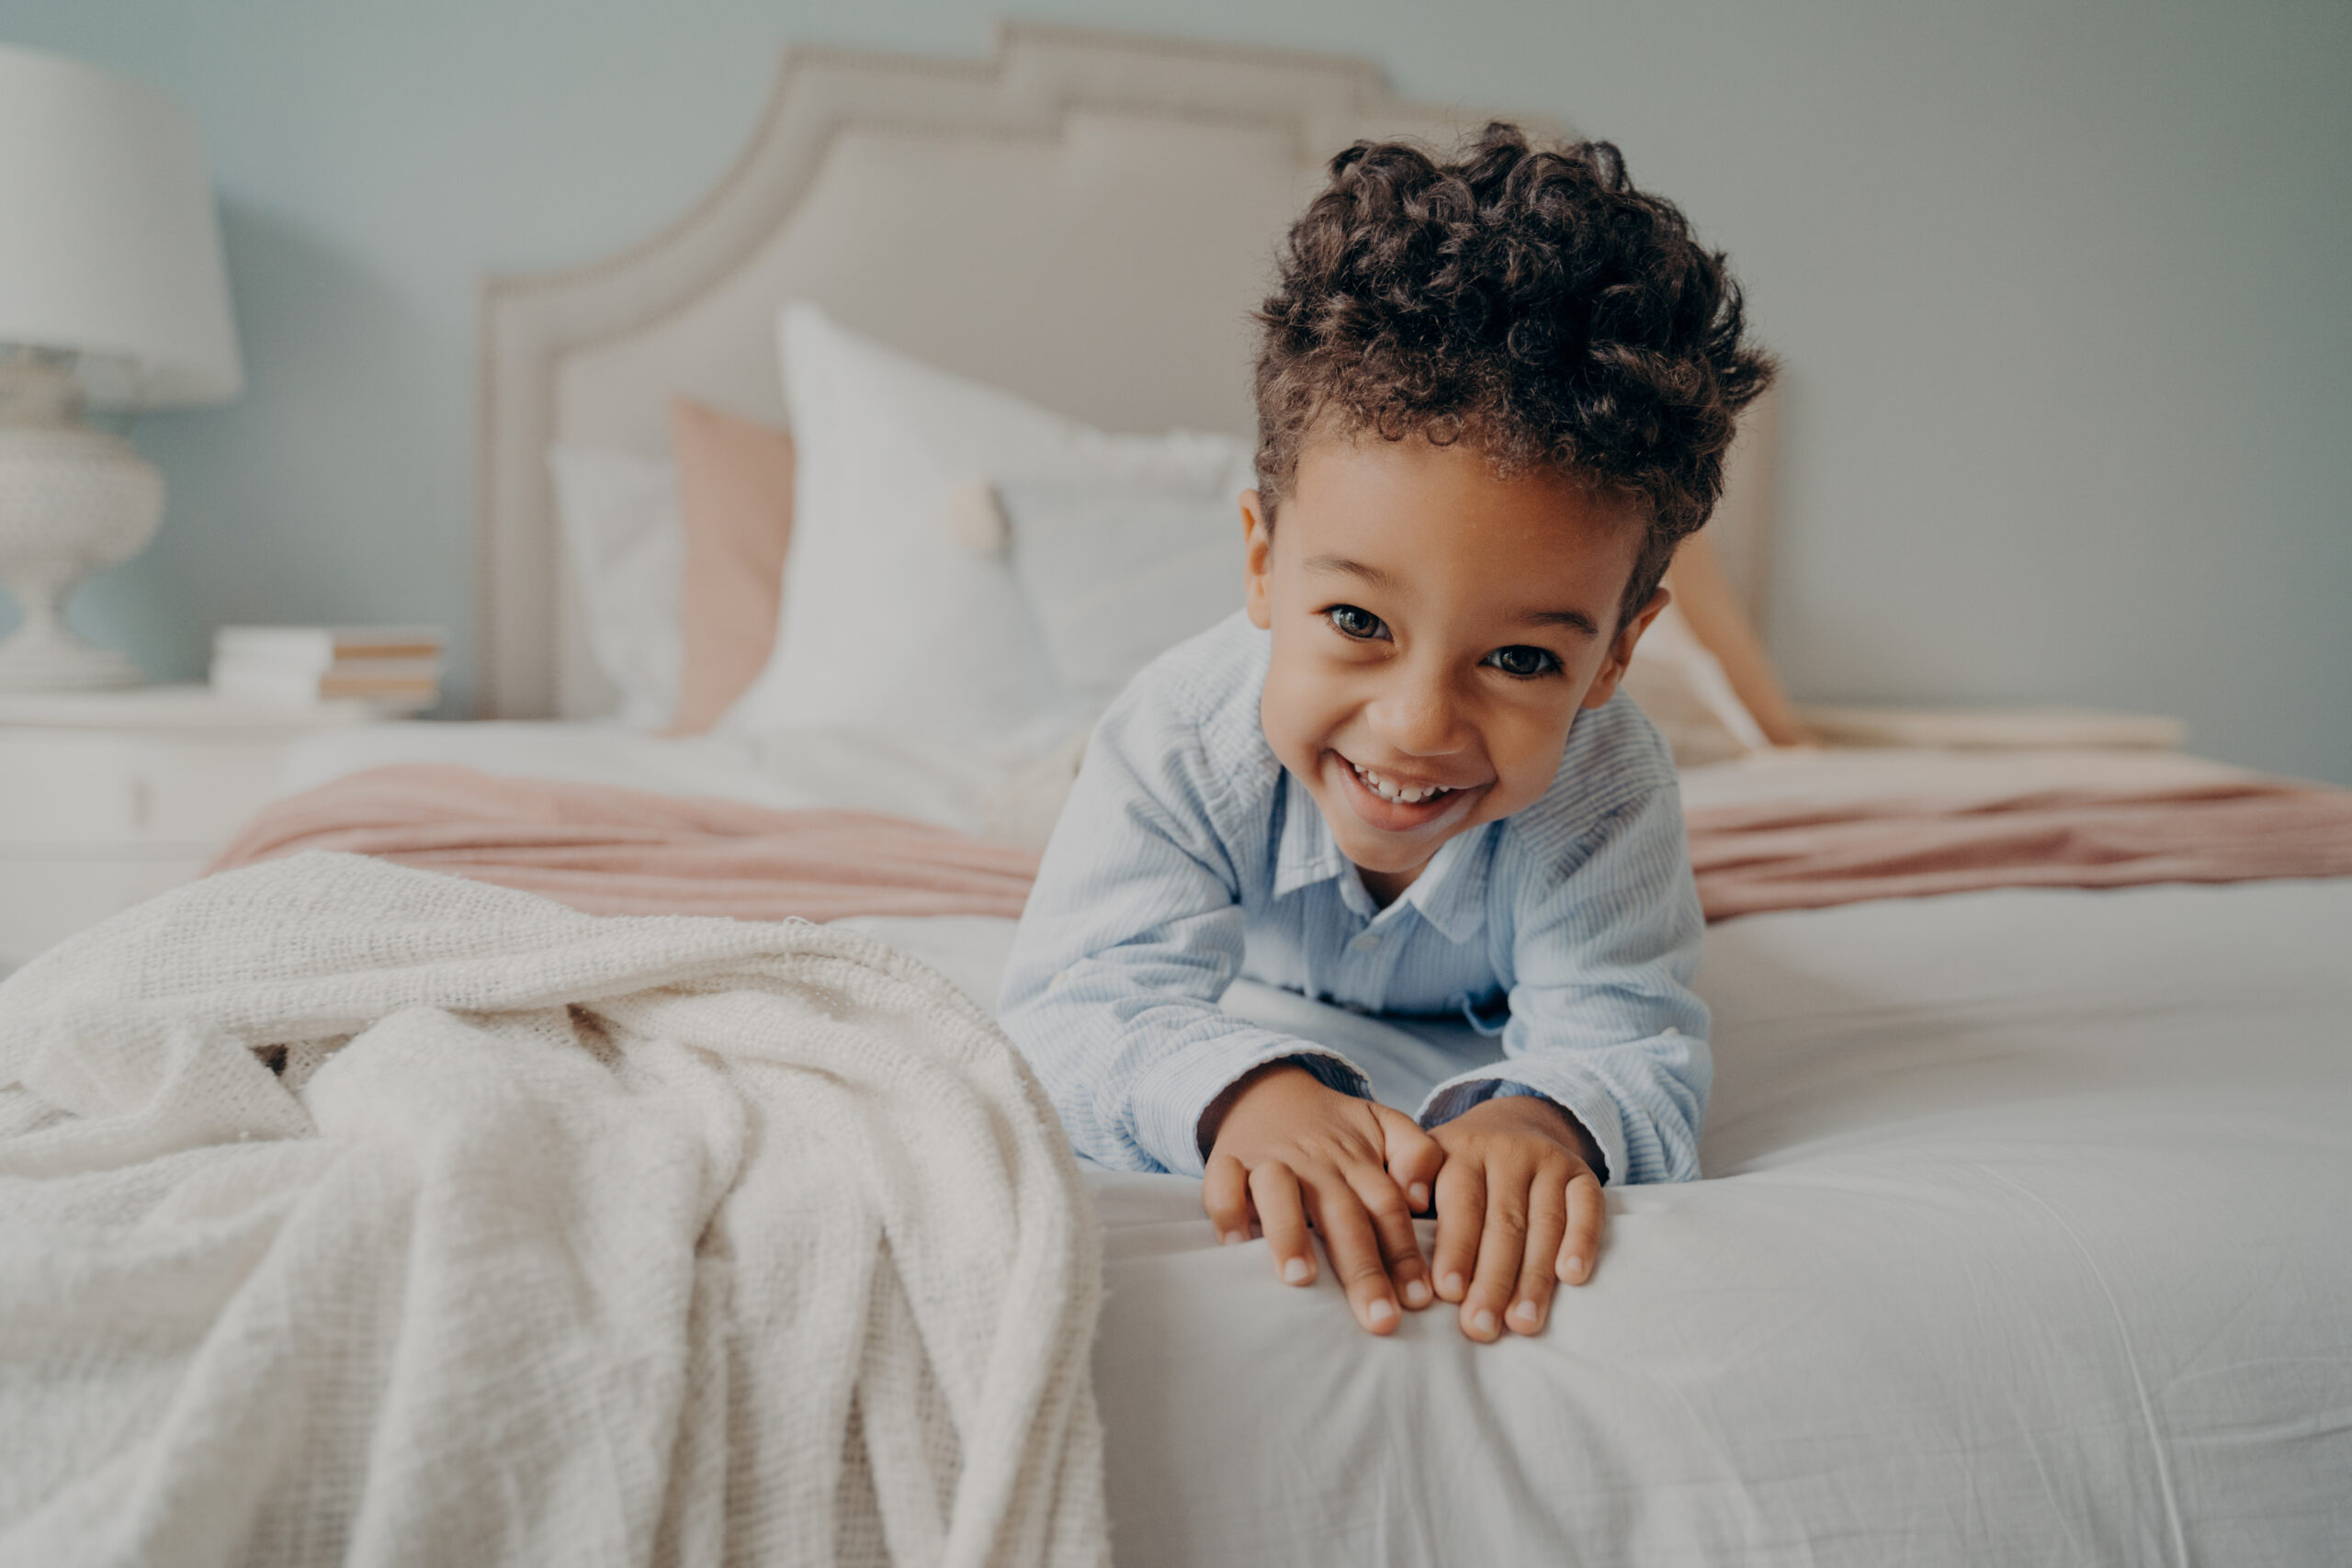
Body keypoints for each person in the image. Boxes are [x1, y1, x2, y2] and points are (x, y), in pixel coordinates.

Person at [997, 124, 1774, 1342]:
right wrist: (1247, 1089)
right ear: (1261, 563)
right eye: (1357, 619)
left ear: (1618, 653)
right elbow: (1072, 1009)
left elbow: (1632, 1042)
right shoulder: (1181, 737)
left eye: (1523, 659)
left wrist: (1542, 1117)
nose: (1416, 726)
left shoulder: (1606, 789)